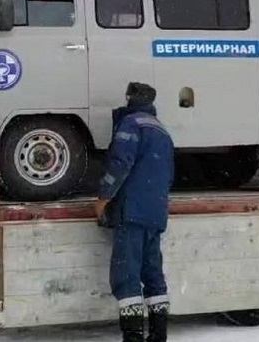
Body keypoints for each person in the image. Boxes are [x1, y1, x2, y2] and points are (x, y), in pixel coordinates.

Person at [95, 82, 175, 342]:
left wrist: (103, 197)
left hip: (132, 211)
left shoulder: (131, 124)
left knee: (126, 274)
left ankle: (132, 336)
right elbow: (168, 175)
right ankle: (159, 334)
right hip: (155, 212)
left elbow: (120, 163)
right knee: (153, 273)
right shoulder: (162, 131)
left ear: (131, 98)